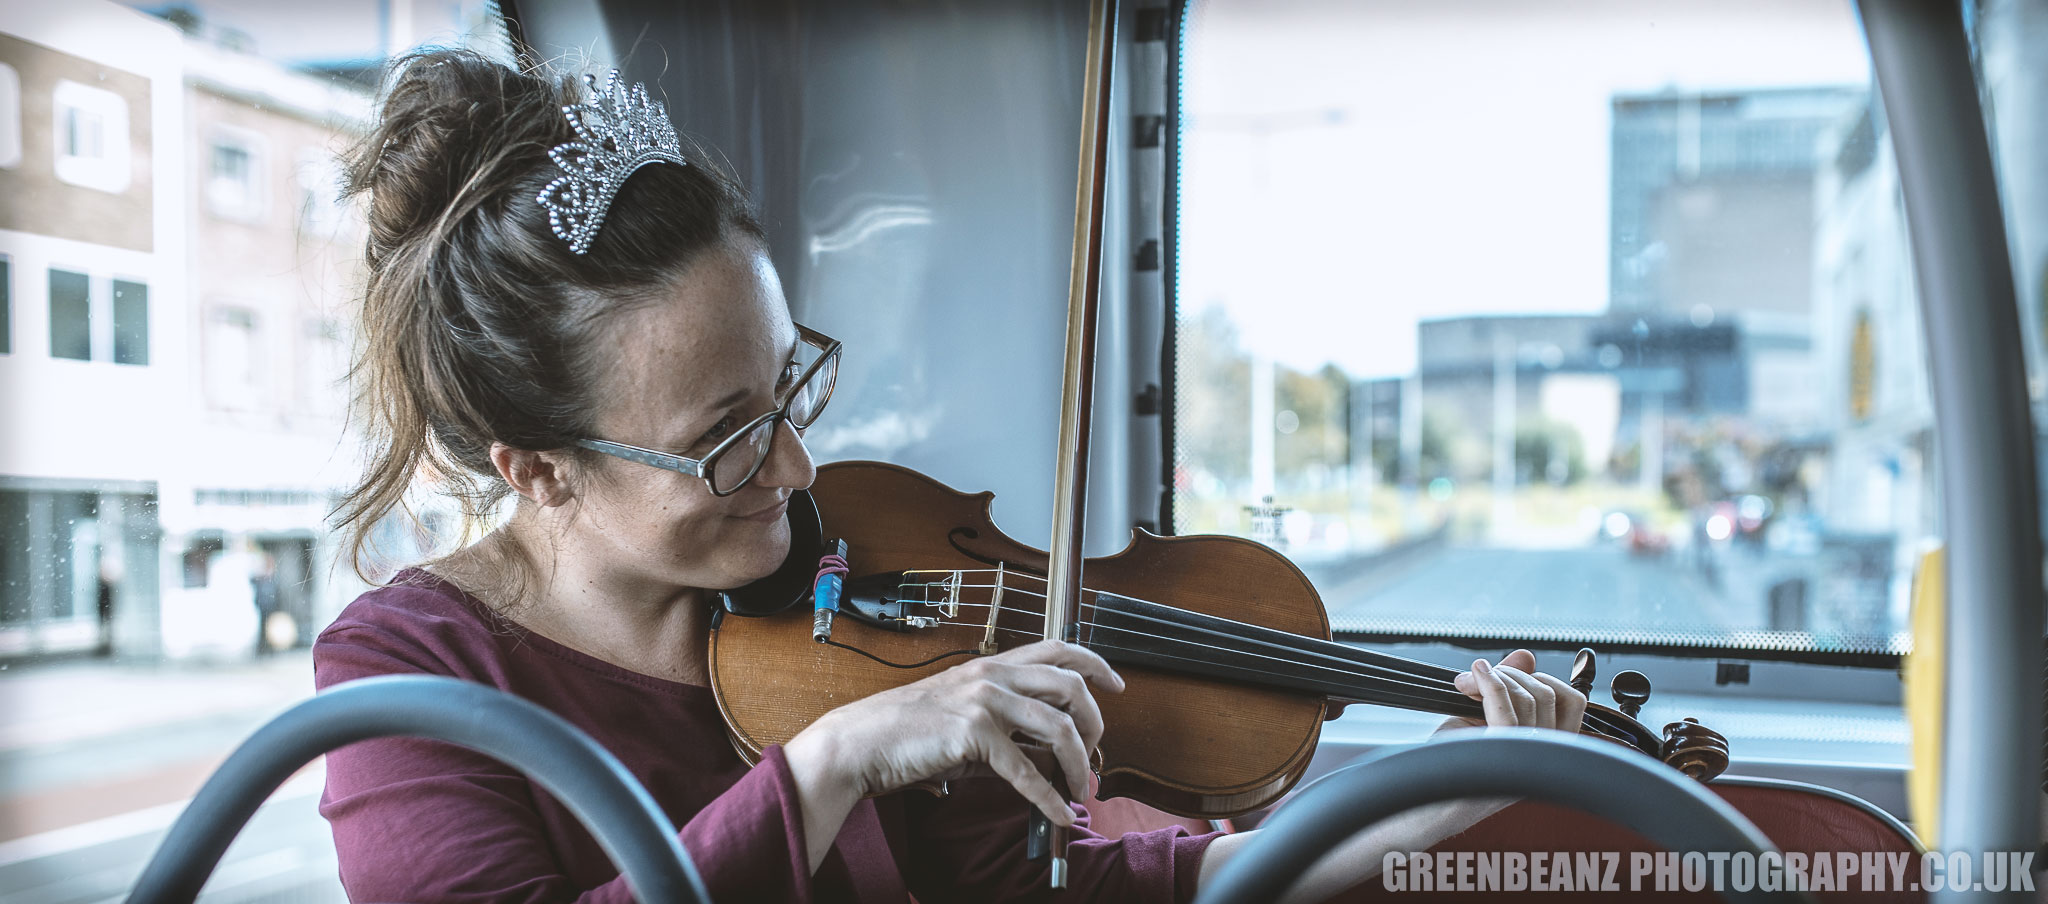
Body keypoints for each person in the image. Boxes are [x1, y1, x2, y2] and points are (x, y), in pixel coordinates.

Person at [316, 48, 1589, 904]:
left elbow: (1064, 887)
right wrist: (831, 766)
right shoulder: (407, 673)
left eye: (789, 390)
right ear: (536, 468)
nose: (799, 465)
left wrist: (1427, 797)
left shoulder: (851, 566)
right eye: (726, 439)